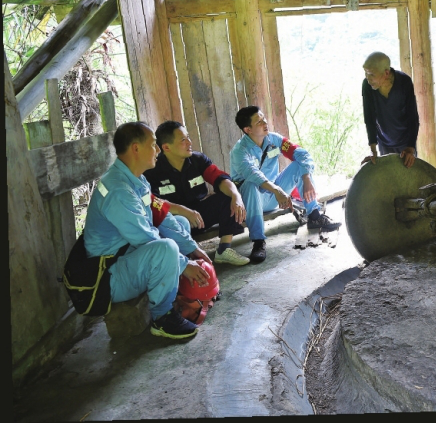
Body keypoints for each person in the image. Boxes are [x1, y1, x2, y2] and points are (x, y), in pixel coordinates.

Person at [83, 122, 213, 339]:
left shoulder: (135, 178)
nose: (158, 150)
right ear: (136, 148)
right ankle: (162, 318)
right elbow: (144, 238)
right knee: (167, 249)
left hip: (128, 256)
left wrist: (192, 248)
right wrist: (184, 264)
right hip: (110, 274)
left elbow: (160, 214)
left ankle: (176, 289)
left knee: (179, 224)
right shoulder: (118, 190)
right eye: (153, 145)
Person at [230, 106, 341, 263]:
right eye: (259, 121)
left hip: (274, 195)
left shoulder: (273, 140)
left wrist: (306, 177)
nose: (264, 122)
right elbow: (252, 174)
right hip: (252, 201)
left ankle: (314, 216)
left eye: (264, 118)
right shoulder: (239, 151)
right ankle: (258, 242)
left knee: (299, 166)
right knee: (249, 184)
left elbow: (301, 153)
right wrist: (277, 190)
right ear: (247, 129)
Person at [144, 121, 250, 267]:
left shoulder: (197, 160)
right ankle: (183, 261)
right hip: (175, 222)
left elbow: (219, 178)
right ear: (166, 147)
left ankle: (224, 250)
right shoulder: (153, 170)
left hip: (199, 216)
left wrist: (236, 196)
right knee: (177, 220)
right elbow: (154, 202)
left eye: (188, 137)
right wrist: (184, 212)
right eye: (183, 140)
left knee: (228, 197)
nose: (189, 142)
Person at [361, 51, 420, 168]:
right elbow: (369, 118)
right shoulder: (367, 86)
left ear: (386, 73)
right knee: (390, 179)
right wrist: (373, 149)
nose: (368, 79)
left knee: (409, 178)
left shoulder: (404, 82)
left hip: (405, 141)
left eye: (371, 74)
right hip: (384, 142)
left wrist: (410, 148)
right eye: (366, 74)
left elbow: (413, 117)